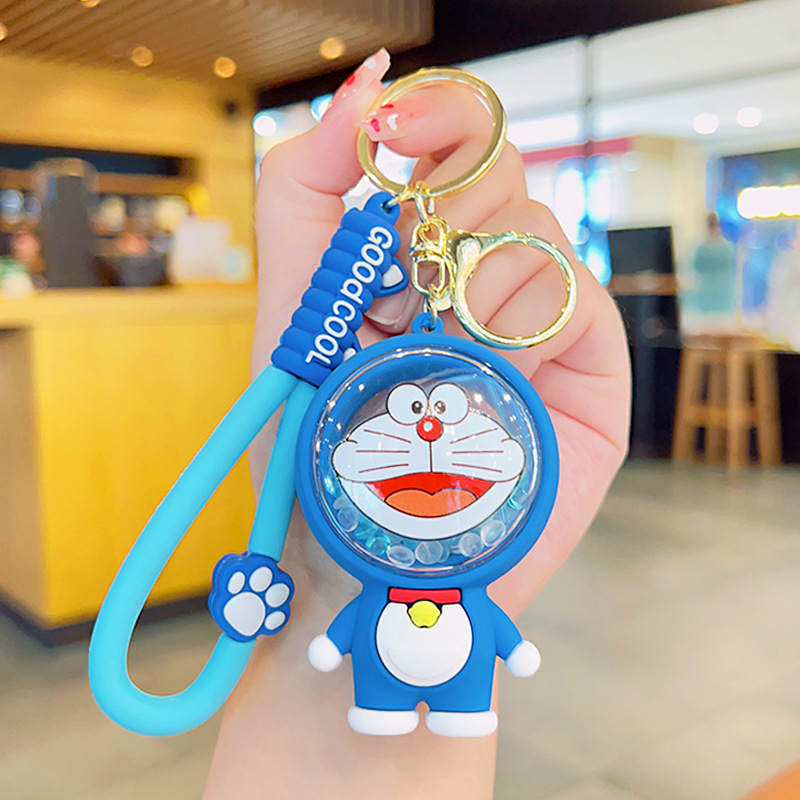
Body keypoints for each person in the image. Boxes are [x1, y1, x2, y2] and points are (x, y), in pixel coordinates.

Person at [203, 49, 631, 799]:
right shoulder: (337, 474)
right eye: (410, 420)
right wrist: (317, 597)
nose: (429, 438)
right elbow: (345, 633)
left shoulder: (488, 523)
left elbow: (485, 635)